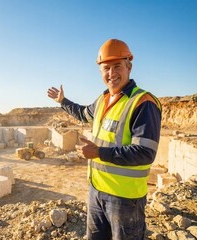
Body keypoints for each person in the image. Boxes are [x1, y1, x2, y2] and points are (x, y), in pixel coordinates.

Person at [47, 39, 162, 240]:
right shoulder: (102, 100)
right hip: (96, 191)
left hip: (125, 199)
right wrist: (63, 102)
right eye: (106, 68)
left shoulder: (143, 102)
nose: (111, 73)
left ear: (129, 66)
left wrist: (99, 153)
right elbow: (83, 114)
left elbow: (145, 153)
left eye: (117, 66)